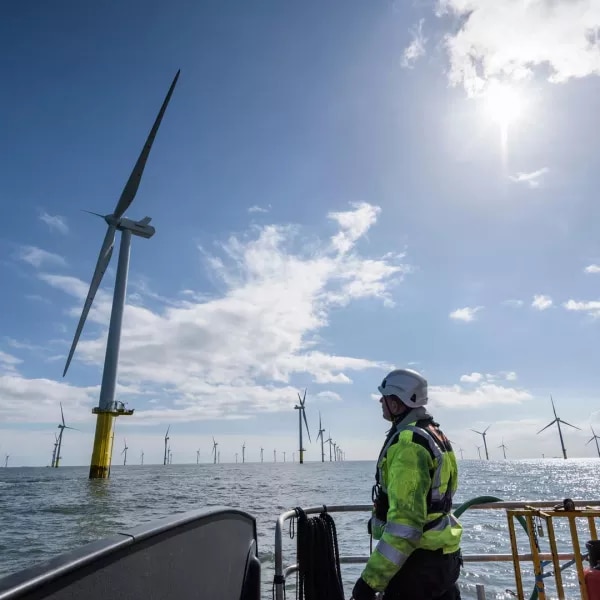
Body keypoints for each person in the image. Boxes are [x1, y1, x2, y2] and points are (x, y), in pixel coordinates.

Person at [351, 368, 463, 600]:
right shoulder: (435, 435)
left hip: (419, 566)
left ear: (398, 403)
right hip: (445, 558)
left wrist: (370, 582)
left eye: (386, 397)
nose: (381, 401)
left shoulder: (408, 445)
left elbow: (406, 527)